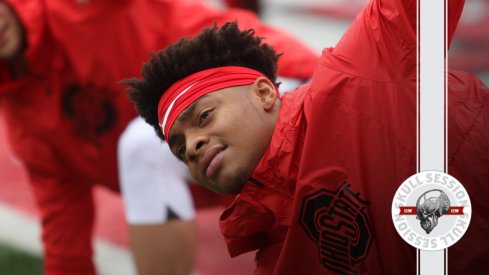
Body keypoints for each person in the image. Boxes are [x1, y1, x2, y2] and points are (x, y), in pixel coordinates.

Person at [123, 0, 489, 273]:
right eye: (181, 150)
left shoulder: (359, 73)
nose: (194, 146)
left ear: (265, 94)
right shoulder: (275, 257)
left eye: (203, 116)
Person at [0, 0, 318, 274]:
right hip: (218, 157)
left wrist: (325, 81)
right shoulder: (27, 128)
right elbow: (64, 237)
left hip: (288, 83)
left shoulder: (78, 10)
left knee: (142, 147)